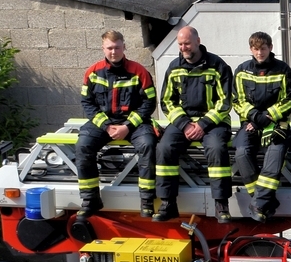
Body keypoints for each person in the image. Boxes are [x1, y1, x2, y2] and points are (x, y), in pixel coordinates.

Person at [155, 24, 235, 223]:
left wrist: (203, 124)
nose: (184, 48)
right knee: (164, 148)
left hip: (213, 122)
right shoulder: (174, 68)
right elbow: (167, 102)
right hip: (184, 122)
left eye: (187, 43)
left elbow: (225, 102)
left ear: (198, 42)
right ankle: (168, 203)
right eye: (180, 44)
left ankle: (221, 204)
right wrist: (185, 125)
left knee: (217, 148)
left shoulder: (218, 66)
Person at [75, 30, 157, 219]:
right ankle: (90, 200)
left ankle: (146, 201)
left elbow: (149, 103)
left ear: (124, 47)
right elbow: (87, 103)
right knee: (83, 146)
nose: (113, 52)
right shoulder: (92, 72)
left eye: (117, 47)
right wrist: (106, 126)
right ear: (103, 48)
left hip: (134, 123)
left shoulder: (139, 71)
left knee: (148, 145)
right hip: (104, 123)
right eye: (110, 48)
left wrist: (127, 126)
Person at [233, 30, 291, 222]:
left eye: (263, 48)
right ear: (250, 49)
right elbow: (237, 100)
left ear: (270, 48)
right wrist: (254, 117)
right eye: (255, 49)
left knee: (275, 154)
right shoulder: (242, 71)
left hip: (277, 124)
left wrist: (269, 116)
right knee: (241, 153)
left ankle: (258, 202)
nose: (259, 52)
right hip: (250, 123)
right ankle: (264, 200)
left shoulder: (282, 69)